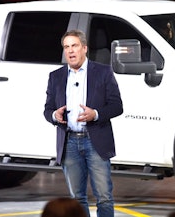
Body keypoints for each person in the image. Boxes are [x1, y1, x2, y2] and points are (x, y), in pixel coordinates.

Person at [44, 29, 123, 217]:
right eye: (66, 47)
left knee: (104, 197)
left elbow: (117, 106)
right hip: (69, 142)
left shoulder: (103, 72)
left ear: (84, 48)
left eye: (74, 46)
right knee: (76, 199)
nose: (70, 51)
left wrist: (95, 114)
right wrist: (55, 115)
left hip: (95, 140)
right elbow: (47, 110)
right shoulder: (56, 76)